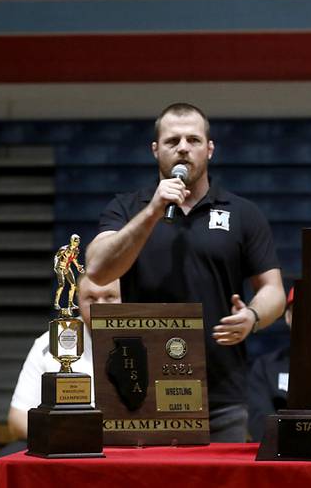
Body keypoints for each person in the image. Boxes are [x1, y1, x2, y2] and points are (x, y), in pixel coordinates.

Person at [85, 102, 285, 443]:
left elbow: (274, 291)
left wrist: (252, 316)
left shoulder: (242, 213)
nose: (182, 148)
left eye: (193, 139)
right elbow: (98, 270)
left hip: (222, 395)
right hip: (140, 391)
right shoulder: (128, 207)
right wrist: (153, 210)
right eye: (171, 140)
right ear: (155, 150)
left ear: (209, 148)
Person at [7, 275, 121, 442]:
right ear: (77, 301)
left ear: (123, 298)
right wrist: (67, 437)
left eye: (110, 297)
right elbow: (17, 419)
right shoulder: (49, 343)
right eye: (91, 298)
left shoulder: (147, 340)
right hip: (64, 446)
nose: (100, 305)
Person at [247, 288, 293, 441]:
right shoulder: (265, 366)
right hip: (280, 454)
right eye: (299, 311)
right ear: (287, 317)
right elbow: (259, 419)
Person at [53, 233, 84, 310]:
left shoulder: (76, 250)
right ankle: (56, 303)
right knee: (61, 285)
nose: (78, 242)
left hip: (67, 267)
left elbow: (73, 259)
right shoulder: (64, 249)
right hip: (60, 267)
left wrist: (78, 267)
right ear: (72, 241)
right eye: (76, 241)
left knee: (73, 285)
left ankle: (70, 303)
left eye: (78, 241)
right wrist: (56, 265)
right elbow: (56, 257)